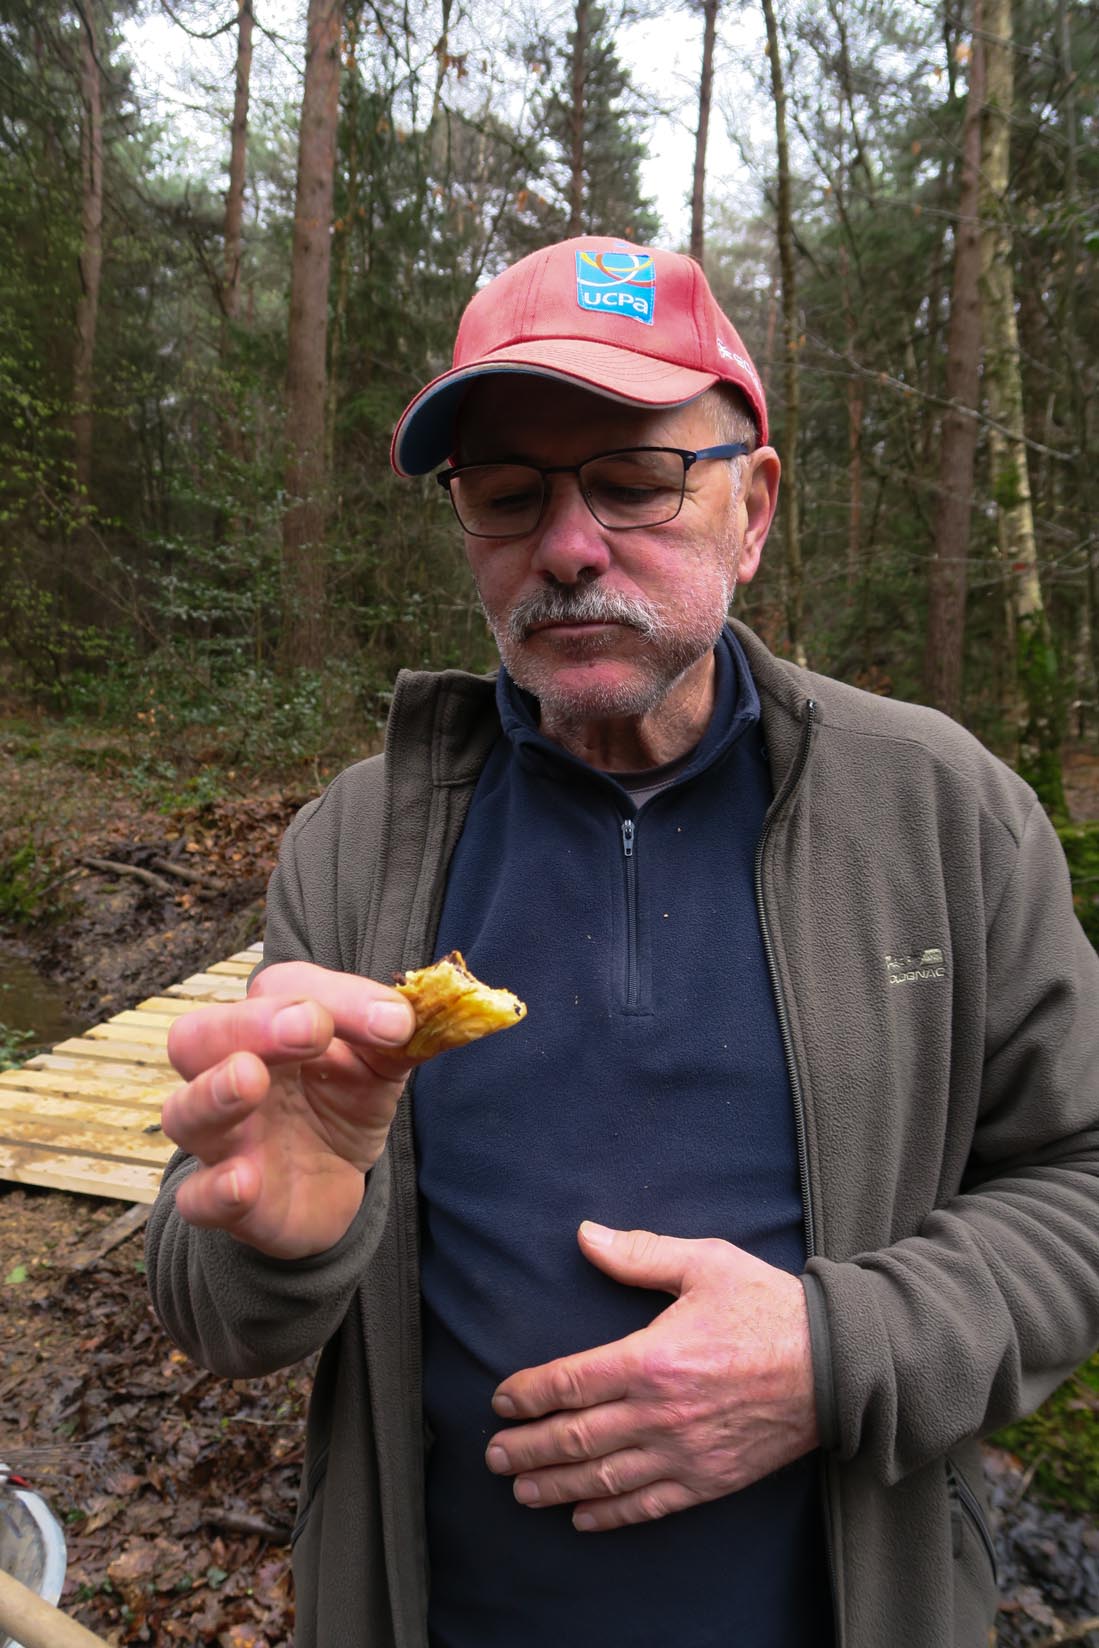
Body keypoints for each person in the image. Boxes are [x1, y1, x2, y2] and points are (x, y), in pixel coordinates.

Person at [146, 235, 1099, 1648]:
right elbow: (214, 1307)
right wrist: (282, 1243)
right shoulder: (356, 848)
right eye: (507, 492)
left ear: (752, 506)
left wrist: (832, 1357)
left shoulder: (943, 815)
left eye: (636, 479)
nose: (570, 544)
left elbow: (1079, 1183)